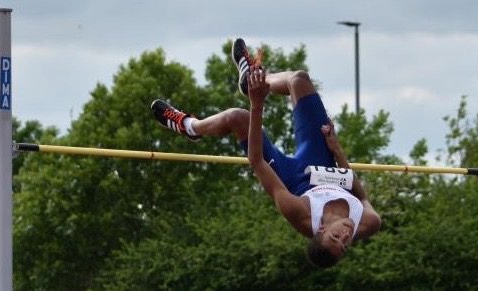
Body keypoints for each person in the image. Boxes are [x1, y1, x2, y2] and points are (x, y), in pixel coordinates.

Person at [150, 38, 381, 268]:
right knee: (299, 80)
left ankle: (189, 126)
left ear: (321, 229)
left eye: (335, 237)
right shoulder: (368, 223)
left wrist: (256, 103)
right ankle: (254, 78)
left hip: (290, 177)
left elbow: (257, 161)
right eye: (345, 244)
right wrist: (337, 150)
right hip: (323, 162)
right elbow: (360, 196)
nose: (345, 236)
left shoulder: (301, 215)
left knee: (237, 118)